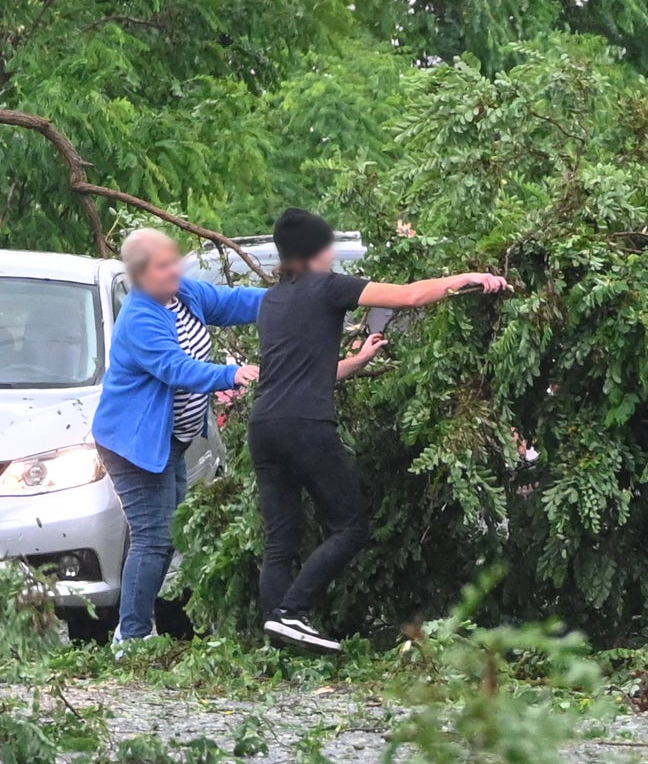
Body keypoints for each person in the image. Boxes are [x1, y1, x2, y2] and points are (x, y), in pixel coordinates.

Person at [244, 206, 511, 657]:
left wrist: (359, 360)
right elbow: (407, 296)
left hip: (264, 425)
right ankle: (293, 612)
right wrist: (465, 277)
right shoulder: (328, 287)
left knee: (280, 538)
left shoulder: (272, 301)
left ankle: (277, 637)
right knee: (350, 526)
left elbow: (302, 372)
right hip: (306, 425)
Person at [92, 228, 262, 647]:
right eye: (163, 265)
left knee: (170, 536)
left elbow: (233, 302)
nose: (175, 270)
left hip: (172, 443)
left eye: (175, 261)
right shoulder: (141, 317)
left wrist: (289, 300)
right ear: (140, 274)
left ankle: (138, 628)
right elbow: (176, 368)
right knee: (153, 538)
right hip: (134, 446)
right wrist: (231, 373)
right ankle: (130, 637)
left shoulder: (184, 295)